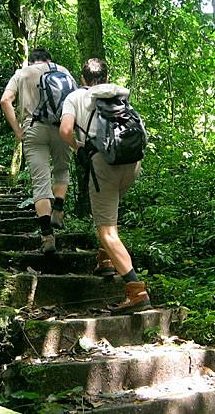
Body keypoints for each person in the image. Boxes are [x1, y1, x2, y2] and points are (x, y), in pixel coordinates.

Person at [59, 58, 151, 315]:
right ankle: (106, 260)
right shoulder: (117, 95)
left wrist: (77, 146)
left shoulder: (75, 97)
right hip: (131, 162)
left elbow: (66, 130)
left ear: (83, 78)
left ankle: (136, 290)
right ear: (106, 76)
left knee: (106, 230)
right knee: (109, 214)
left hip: (104, 163)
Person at [0, 48, 72, 254]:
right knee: (62, 170)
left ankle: (47, 236)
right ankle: (58, 208)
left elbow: (5, 100)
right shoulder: (64, 71)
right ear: (49, 59)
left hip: (33, 128)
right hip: (61, 128)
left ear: (31, 61)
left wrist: (17, 130)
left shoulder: (22, 73)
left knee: (41, 182)